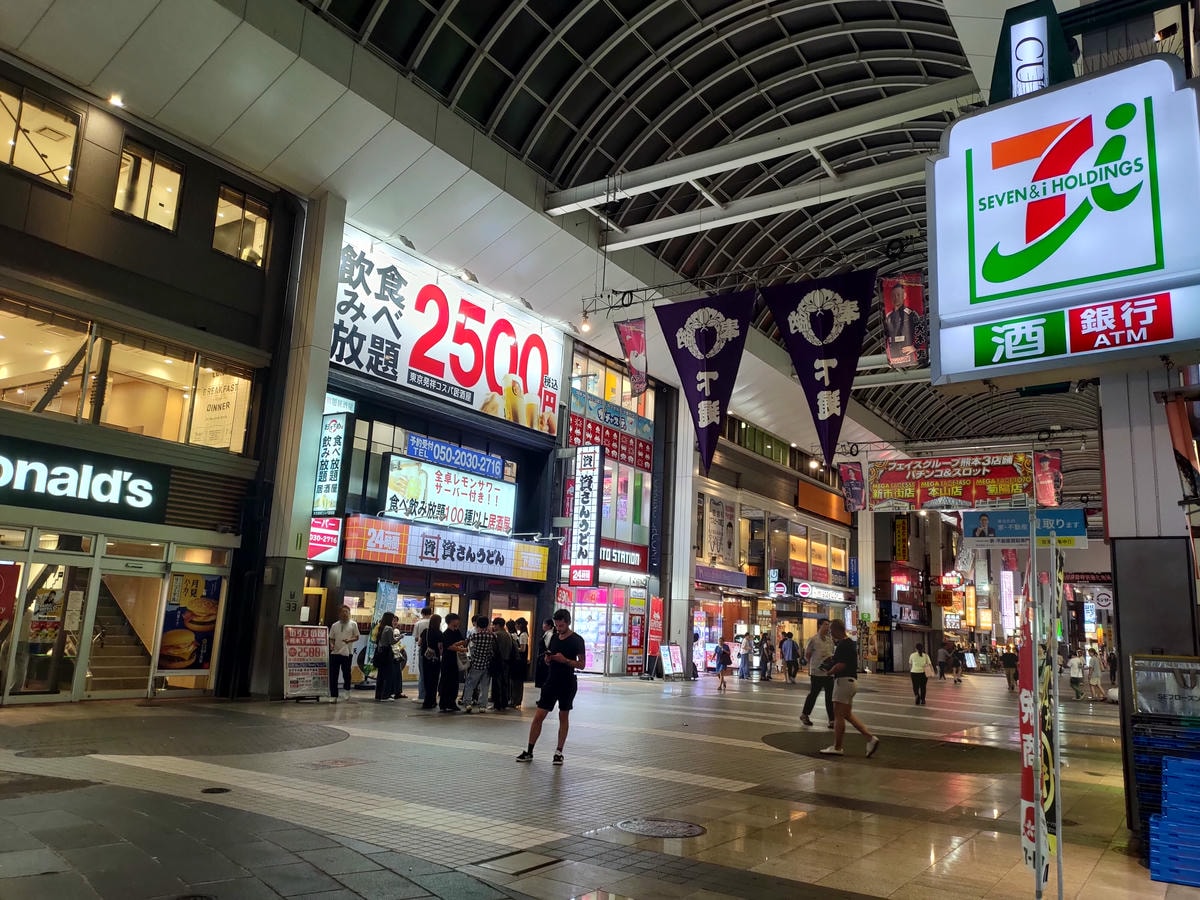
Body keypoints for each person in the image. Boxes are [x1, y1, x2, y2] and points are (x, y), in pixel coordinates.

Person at [517, 608, 585, 765]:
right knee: (539, 716)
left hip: (567, 682)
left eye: (561, 626)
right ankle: (529, 750)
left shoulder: (577, 640)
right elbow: (551, 656)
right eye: (557, 625)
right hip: (551, 681)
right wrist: (549, 659)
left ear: (568, 623)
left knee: (563, 715)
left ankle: (559, 752)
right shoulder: (554, 637)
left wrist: (565, 660)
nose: (559, 629)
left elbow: (582, 664)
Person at [820, 619, 880, 758]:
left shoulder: (842, 645)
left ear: (836, 630)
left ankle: (837, 747)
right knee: (847, 714)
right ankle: (870, 738)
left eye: (831, 631)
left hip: (843, 682)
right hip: (851, 682)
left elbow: (841, 665)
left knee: (838, 715)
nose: (831, 634)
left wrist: (829, 672)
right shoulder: (850, 643)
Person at [799, 619, 835, 729]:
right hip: (816, 673)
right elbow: (807, 655)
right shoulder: (813, 640)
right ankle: (805, 715)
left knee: (830, 697)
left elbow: (831, 654)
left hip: (828, 672)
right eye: (825, 624)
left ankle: (832, 720)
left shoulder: (830, 640)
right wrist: (814, 665)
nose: (828, 627)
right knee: (813, 694)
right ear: (819, 625)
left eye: (829, 625)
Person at [462, 615, 496, 713]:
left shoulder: (475, 636)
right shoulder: (492, 636)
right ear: (487, 624)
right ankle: (482, 706)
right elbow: (492, 650)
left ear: (477, 624)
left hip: (476, 663)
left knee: (470, 684)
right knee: (485, 686)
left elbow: (468, 646)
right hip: (487, 663)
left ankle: (468, 703)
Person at [327, 605, 358, 702]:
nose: (345, 614)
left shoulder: (353, 624)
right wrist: (332, 645)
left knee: (346, 673)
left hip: (347, 653)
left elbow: (357, 636)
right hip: (335, 652)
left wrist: (349, 640)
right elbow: (331, 638)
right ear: (339, 614)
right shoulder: (334, 625)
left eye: (346, 612)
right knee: (333, 674)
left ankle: (347, 689)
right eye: (343, 612)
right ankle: (333, 695)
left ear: (349, 613)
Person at [438, 613, 467, 712]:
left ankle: (452, 703)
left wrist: (460, 644)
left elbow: (462, 641)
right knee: (446, 682)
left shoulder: (457, 631)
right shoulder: (446, 633)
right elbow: (449, 646)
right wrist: (461, 648)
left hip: (456, 661)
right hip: (447, 661)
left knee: (454, 683)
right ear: (451, 621)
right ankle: (443, 704)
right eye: (456, 620)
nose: (458, 622)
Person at [372, 612, 399, 702]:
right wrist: (400, 637)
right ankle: (385, 695)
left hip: (380, 653)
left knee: (380, 675)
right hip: (387, 653)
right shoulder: (389, 628)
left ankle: (378, 695)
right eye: (392, 619)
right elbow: (392, 641)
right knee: (388, 675)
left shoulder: (381, 627)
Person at [419, 613, 442, 710]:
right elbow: (440, 648)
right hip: (435, 659)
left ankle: (426, 701)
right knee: (434, 680)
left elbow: (419, 643)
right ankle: (432, 700)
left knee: (426, 679)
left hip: (426, 658)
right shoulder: (439, 633)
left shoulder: (425, 631)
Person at [490, 616, 513, 710]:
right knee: (504, 683)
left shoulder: (496, 635)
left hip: (498, 661)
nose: (493, 627)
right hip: (507, 661)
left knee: (497, 683)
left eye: (494, 625)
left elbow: (493, 648)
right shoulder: (508, 635)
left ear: (498, 625)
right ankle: (504, 702)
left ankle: (497, 704)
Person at [411, 606, 432, 703]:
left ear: (422, 613)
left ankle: (422, 696)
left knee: (422, 673)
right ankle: (430, 695)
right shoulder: (434, 623)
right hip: (433, 651)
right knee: (431, 673)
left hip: (423, 649)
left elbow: (416, 638)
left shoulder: (418, 623)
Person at [510, 619, 529, 708]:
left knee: (517, 682)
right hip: (520, 661)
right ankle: (515, 700)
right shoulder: (522, 634)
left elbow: (522, 649)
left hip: (520, 661)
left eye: (517, 624)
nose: (515, 626)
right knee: (517, 682)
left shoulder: (523, 635)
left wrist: (514, 648)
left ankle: (516, 701)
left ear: (520, 625)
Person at [534, 617, 554, 687]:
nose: (543, 625)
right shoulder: (547, 633)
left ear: (549, 625)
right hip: (542, 657)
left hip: (544, 658)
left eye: (544, 624)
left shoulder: (549, 634)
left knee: (543, 679)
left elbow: (548, 646)